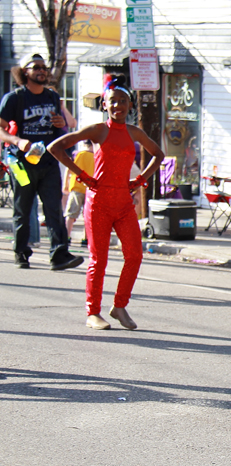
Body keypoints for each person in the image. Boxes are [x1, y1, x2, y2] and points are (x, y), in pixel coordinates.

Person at [48, 76, 164, 331]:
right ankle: (93, 313)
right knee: (98, 260)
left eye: (123, 101)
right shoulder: (98, 130)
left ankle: (119, 305)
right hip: (98, 203)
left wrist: (140, 180)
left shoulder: (134, 132)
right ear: (104, 104)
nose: (118, 105)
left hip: (124, 204)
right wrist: (83, 175)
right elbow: (55, 147)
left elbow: (158, 154)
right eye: (113, 101)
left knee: (134, 255)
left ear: (130, 105)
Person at [0, 53, 83, 270]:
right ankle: (21, 252)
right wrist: (17, 141)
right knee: (23, 210)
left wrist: (60, 123)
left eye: (43, 68)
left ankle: (59, 255)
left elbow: (61, 127)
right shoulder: (15, 98)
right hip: (22, 164)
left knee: (54, 209)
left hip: (48, 162)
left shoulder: (52, 97)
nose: (41, 71)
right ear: (24, 72)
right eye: (36, 67)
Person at [63, 139, 95, 245]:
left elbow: (68, 169)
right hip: (91, 189)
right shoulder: (96, 156)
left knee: (71, 214)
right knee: (88, 215)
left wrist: (65, 184)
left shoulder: (77, 154)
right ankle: (86, 238)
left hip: (76, 187)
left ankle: (66, 236)